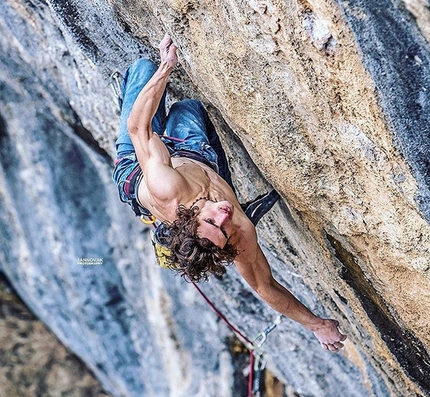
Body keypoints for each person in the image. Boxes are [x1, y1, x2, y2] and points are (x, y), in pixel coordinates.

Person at [112, 34, 347, 352]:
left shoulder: (175, 191)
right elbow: (265, 286)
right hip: (167, 164)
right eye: (225, 229)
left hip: (161, 165)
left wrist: (168, 66)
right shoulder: (236, 230)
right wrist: (317, 325)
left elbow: (140, 129)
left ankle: (152, 212)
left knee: (165, 87)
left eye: (214, 221)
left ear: (190, 218)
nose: (225, 215)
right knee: (166, 88)